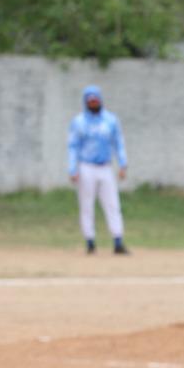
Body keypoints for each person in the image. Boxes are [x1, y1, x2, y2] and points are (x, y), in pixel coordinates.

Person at [67, 86, 130, 255]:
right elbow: (73, 147)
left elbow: (118, 143)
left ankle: (118, 241)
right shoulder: (79, 122)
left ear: (100, 100)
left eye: (96, 100)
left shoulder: (110, 120)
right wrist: (73, 169)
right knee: (86, 205)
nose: (93, 103)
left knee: (112, 204)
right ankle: (90, 242)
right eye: (90, 100)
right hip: (86, 167)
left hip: (105, 167)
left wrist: (123, 164)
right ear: (86, 102)